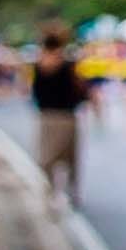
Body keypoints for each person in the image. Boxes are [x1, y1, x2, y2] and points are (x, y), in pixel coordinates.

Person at [27, 20, 86, 206]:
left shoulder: (40, 64)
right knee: (67, 158)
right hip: (64, 115)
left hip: (49, 115)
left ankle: (53, 193)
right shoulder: (66, 64)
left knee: (50, 158)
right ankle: (67, 192)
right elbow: (79, 90)